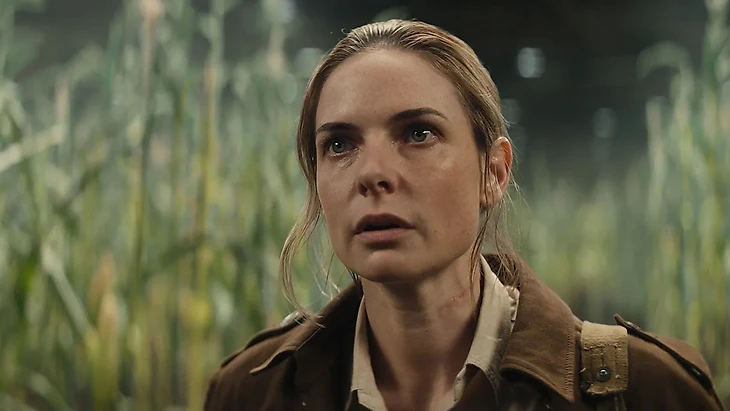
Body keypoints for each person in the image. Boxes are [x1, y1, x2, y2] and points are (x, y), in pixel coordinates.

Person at [204, 19, 724, 411]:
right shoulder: (252, 392)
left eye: (418, 134)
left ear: (493, 172)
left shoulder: (644, 391)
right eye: (339, 144)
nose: (372, 174)